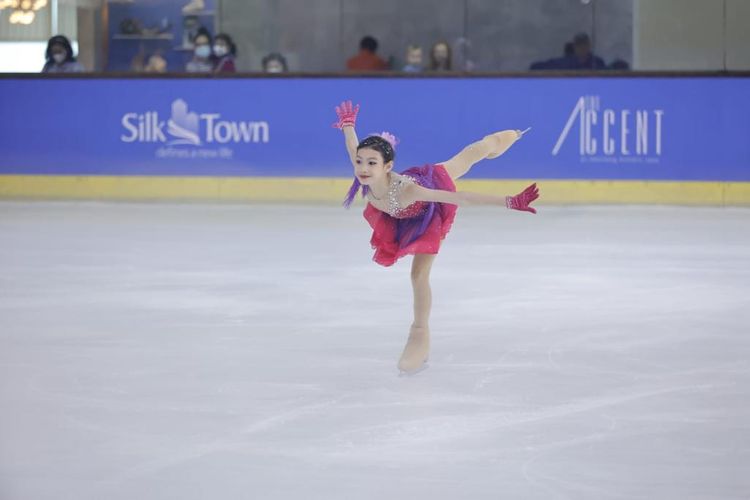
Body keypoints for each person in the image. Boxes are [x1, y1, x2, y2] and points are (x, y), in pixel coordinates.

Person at [332, 101, 539, 374]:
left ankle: (503, 138)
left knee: (470, 155)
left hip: (428, 211)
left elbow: (460, 197)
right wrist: (348, 124)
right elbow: (352, 147)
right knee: (466, 157)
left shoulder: (407, 190)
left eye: (372, 163)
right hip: (401, 217)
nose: (363, 168)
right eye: (361, 162)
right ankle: (497, 141)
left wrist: (509, 201)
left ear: (388, 166)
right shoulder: (365, 174)